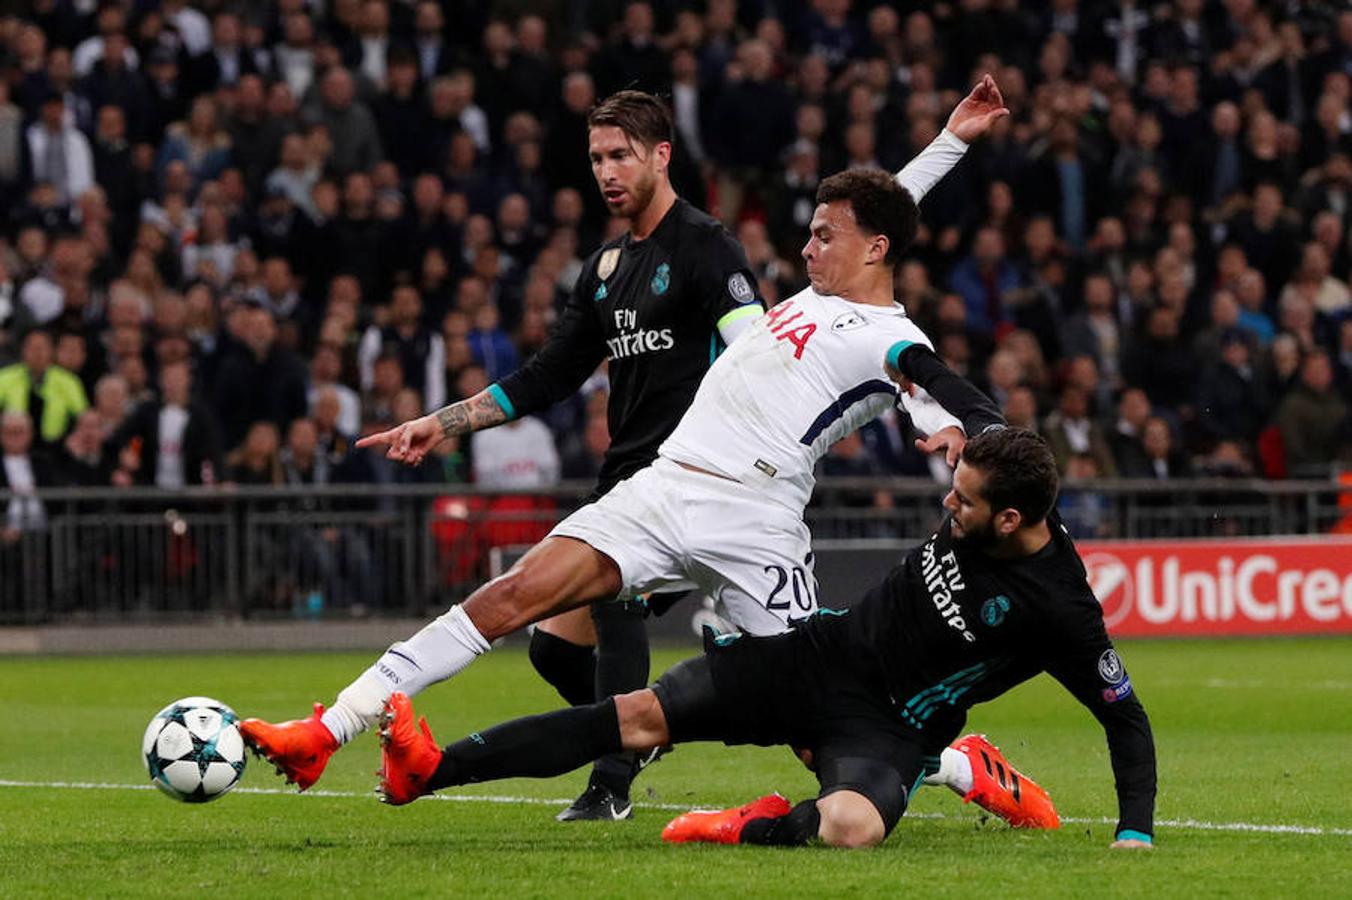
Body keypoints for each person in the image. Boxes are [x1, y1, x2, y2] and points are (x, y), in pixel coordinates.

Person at [241, 78, 1024, 821]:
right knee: (511, 596)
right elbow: (888, 203)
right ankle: (329, 731)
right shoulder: (817, 290)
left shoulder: (887, 337)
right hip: (661, 485)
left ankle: (961, 767)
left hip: (755, 522)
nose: (807, 247)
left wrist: (968, 430)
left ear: (875, 250)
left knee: (819, 721)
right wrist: (951, 140)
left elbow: (941, 384)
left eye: (824, 237)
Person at [375, 429, 1156, 852]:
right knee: (635, 718)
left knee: (850, 828)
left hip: (887, 729)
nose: (949, 506)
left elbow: (1123, 715)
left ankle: (753, 824)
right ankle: (432, 770)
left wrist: (1134, 834)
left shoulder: (1061, 610)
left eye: (966, 502)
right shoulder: (995, 492)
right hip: (820, 655)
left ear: (1011, 520)